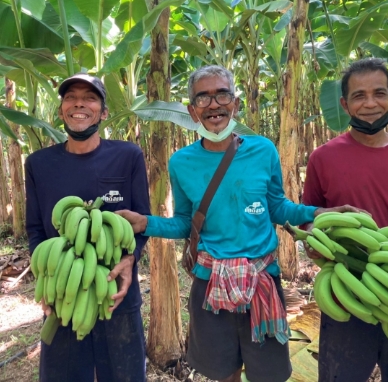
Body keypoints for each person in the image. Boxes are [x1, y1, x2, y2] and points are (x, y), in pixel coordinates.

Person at [117, 65, 356, 382]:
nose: (213, 104)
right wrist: (144, 223)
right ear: (192, 110)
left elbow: (276, 206)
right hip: (210, 284)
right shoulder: (181, 162)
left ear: (236, 103)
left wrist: (314, 214)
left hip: (262, 281)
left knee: (268, 375)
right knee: (223, 373)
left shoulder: (262, 150)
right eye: (203, 97)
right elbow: (186, 225)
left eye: (222, 95)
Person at [25, 73, 151, 382]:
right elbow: (35, 230)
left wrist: (130, 260)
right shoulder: (38, 164)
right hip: (66, 290)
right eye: (70, 97)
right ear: (61, 111)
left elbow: (143, 222)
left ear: (104, 112)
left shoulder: (127, 156)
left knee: (125, 375)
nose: (79, 103)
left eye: (90, 97)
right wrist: (47, 278)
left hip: (115, 290)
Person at [302, 58, 388, 382]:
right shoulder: (322, 158)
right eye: (359, 96)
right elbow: (310, 220)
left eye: (379, 93)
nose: (370, 104)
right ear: (344, 104)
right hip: (347, 295)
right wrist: (313, 242)